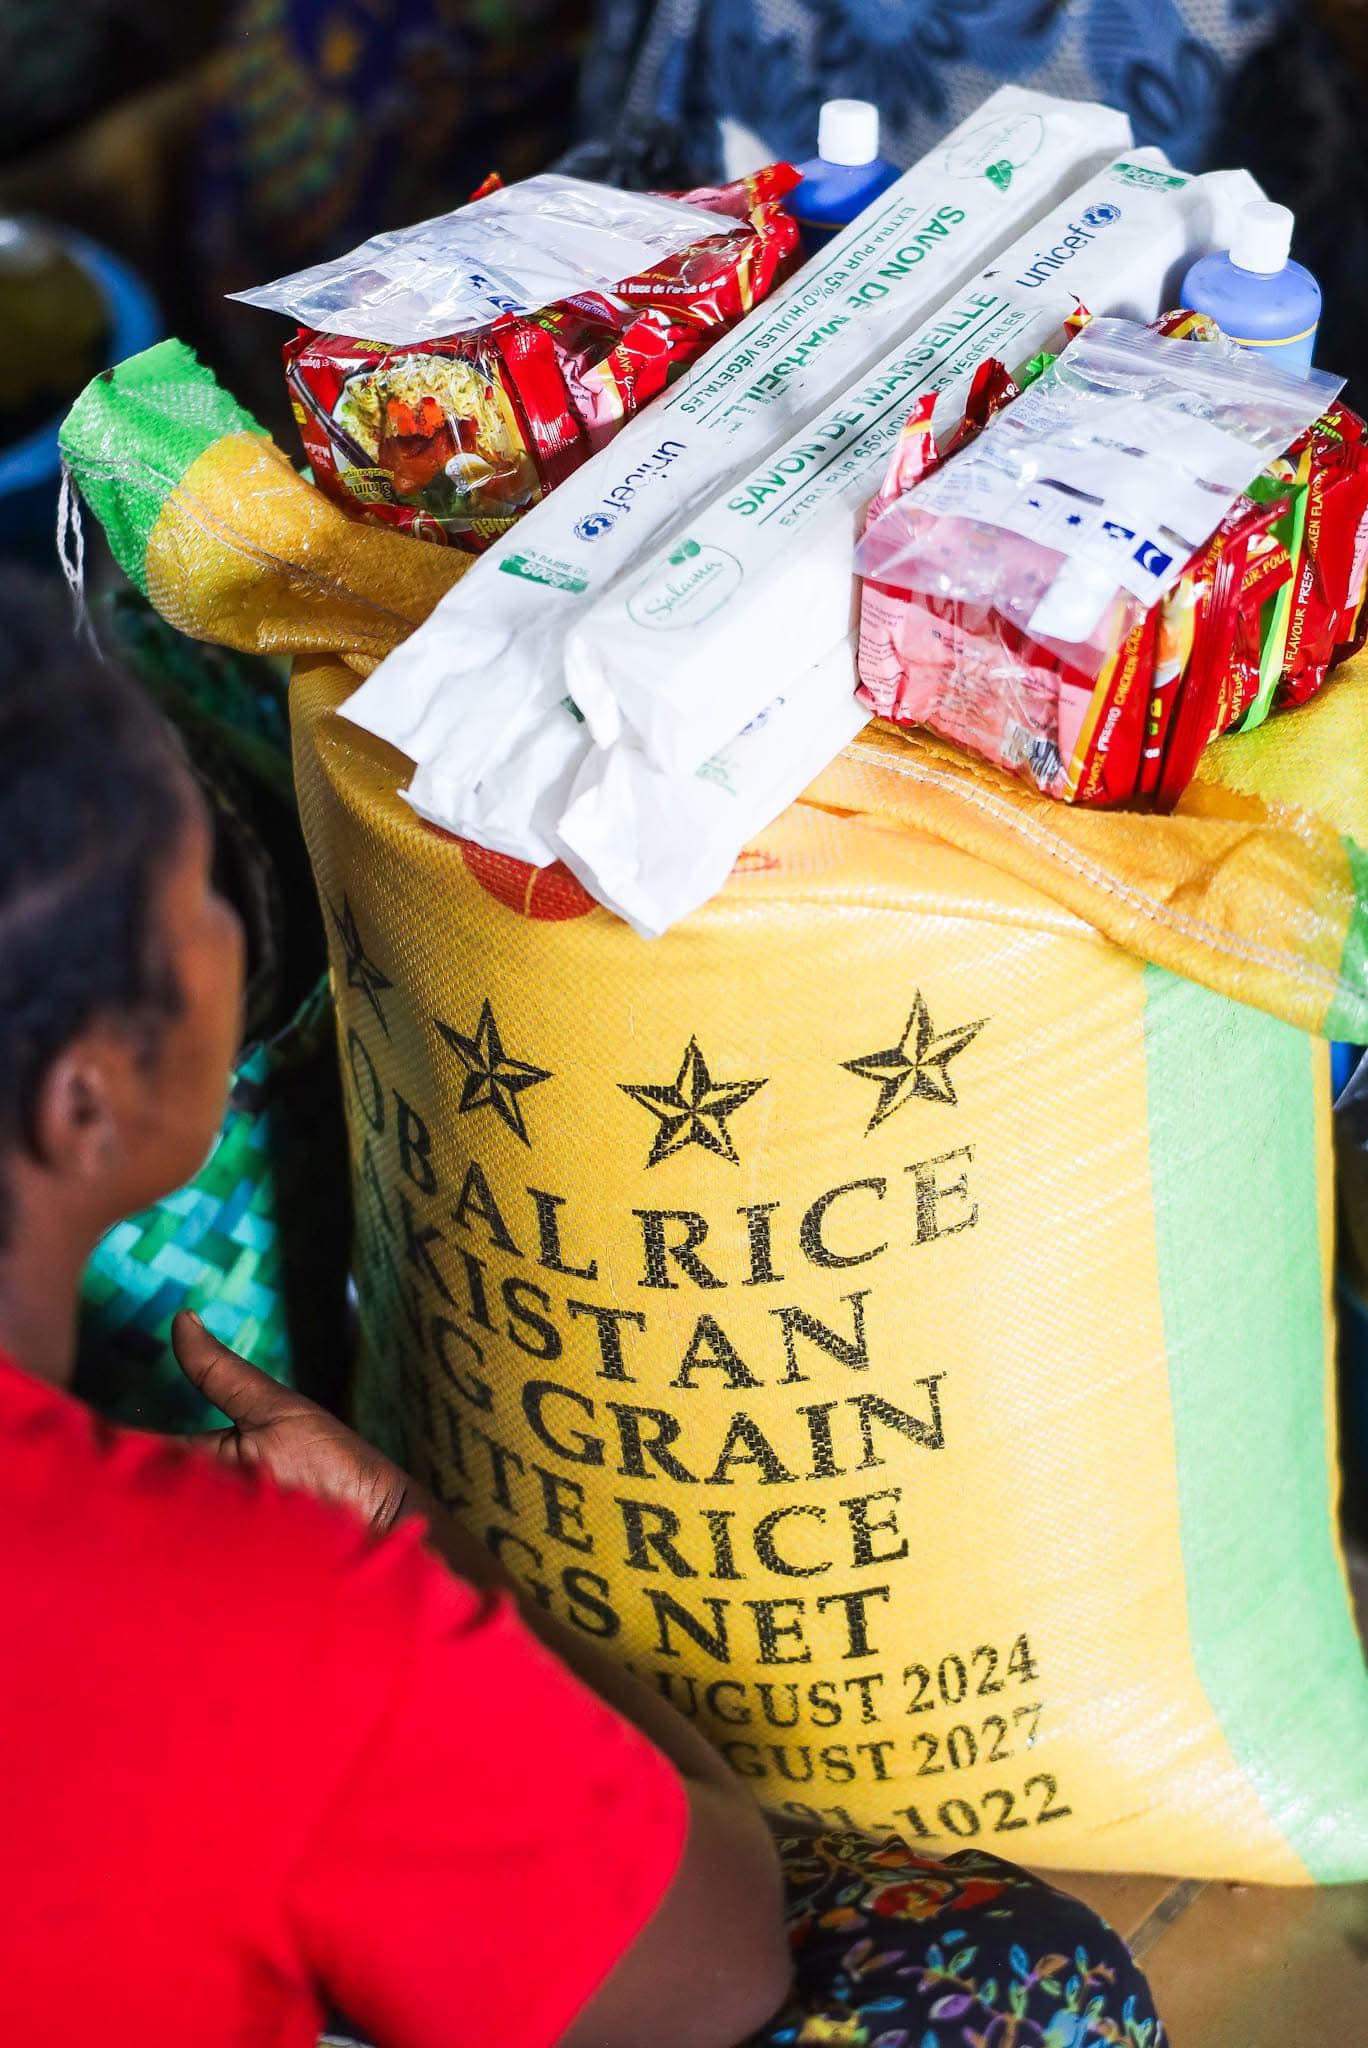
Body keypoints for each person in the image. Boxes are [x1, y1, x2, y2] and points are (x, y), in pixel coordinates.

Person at [0, 612, 1168, 2046]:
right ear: (86, 1098)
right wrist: (405, 1537)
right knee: (1016, 1992)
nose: (233, 931)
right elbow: (716, 1963)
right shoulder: (258, 1615)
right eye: (199, 898)